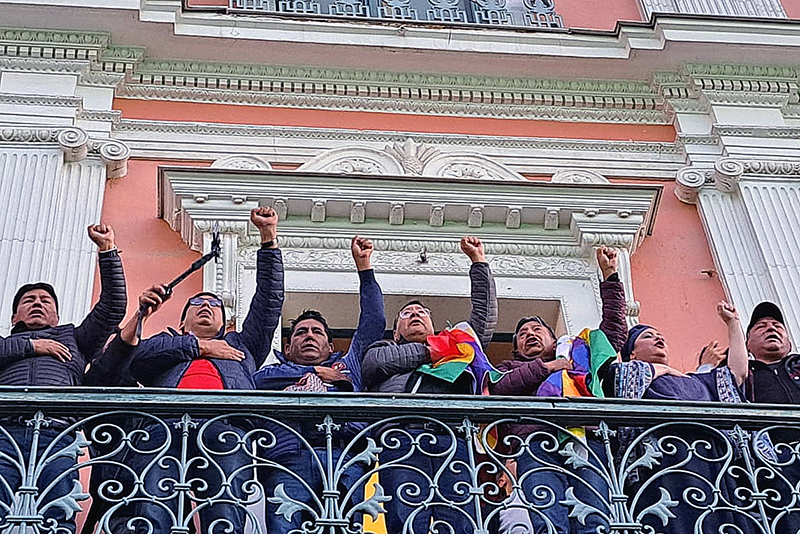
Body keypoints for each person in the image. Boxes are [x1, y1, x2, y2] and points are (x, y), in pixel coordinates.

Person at [115, 206, 283, 534]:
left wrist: (268, 239)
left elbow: (269, 301)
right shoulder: (165, 342)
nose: (206, 306)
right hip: (163, 427)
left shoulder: (243, 345)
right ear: (181, 322)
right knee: (153, 510)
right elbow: (137, 359)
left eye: (214, 305)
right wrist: (198, 347)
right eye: (196, 304)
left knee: (224, 511)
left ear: (225, 321)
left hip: (225, 427)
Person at [362, 236, 497, 534]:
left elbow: (484, 321)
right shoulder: (382, 349)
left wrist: (479, 263)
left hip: (452, 439)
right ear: (396, 332)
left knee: (461, 519)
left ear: (434, 325)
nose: (415, 315)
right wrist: (434, 349)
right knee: (405, 519)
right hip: (401, 439)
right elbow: (376, 364)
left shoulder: (459, 347)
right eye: (407, 314)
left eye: (421, 313)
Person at [488, 245, 626, 534]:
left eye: (537, 330)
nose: (530, 335)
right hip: (534, 444)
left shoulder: (579, 356)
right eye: (522, 335)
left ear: (554, 340)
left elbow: (612, 336)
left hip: (585, 438)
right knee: (548, 520)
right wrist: (547, 368)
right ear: (516, 348)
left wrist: (610, 276)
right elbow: (499, 387)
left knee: (595, 518)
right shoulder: (509, 368)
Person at [252, 235, 385, 534]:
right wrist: (315, 372)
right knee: (285, 528)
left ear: (330, 345)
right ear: (288, 348)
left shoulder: (347, 366)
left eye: (316, 332)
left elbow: (373, 322)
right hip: (288, 458)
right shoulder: (271, 374)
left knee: (346, 528)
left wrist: (364, 268)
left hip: (344, 454)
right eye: (300, 332)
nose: (309, 335)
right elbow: (259, 383)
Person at [0, 224, 127, 533]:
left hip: (57, 433)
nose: (38, 303)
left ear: (56, 316)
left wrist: (107, 249)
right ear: (15, 317)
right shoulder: (6, 344)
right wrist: (31, 345)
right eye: (28, 300)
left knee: (57, 509)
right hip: (5, 431)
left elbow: (113, 309)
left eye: (45, 300)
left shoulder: (74, 338)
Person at [603, 302, 753, 534]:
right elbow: (615, 379)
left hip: (710, 461)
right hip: (664, 461)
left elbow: (737, 373)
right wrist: (665, 370)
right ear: (631, 352)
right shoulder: (630, 374)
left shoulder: (697, 381)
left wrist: (733, 323)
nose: (658, 338)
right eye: (648, 336)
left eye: (660, 335)